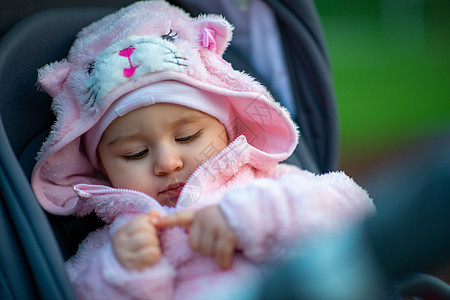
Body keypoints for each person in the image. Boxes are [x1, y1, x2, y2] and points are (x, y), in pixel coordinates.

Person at [31, 1, 374, 299]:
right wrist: (123, 271)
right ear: (102, 167)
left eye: (188, 136)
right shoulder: (115, 243)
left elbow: (353, 207)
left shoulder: (263, 184)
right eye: (135, 153)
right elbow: (73, 290)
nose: (168, 162)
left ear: (226, 129)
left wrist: (251, 217)